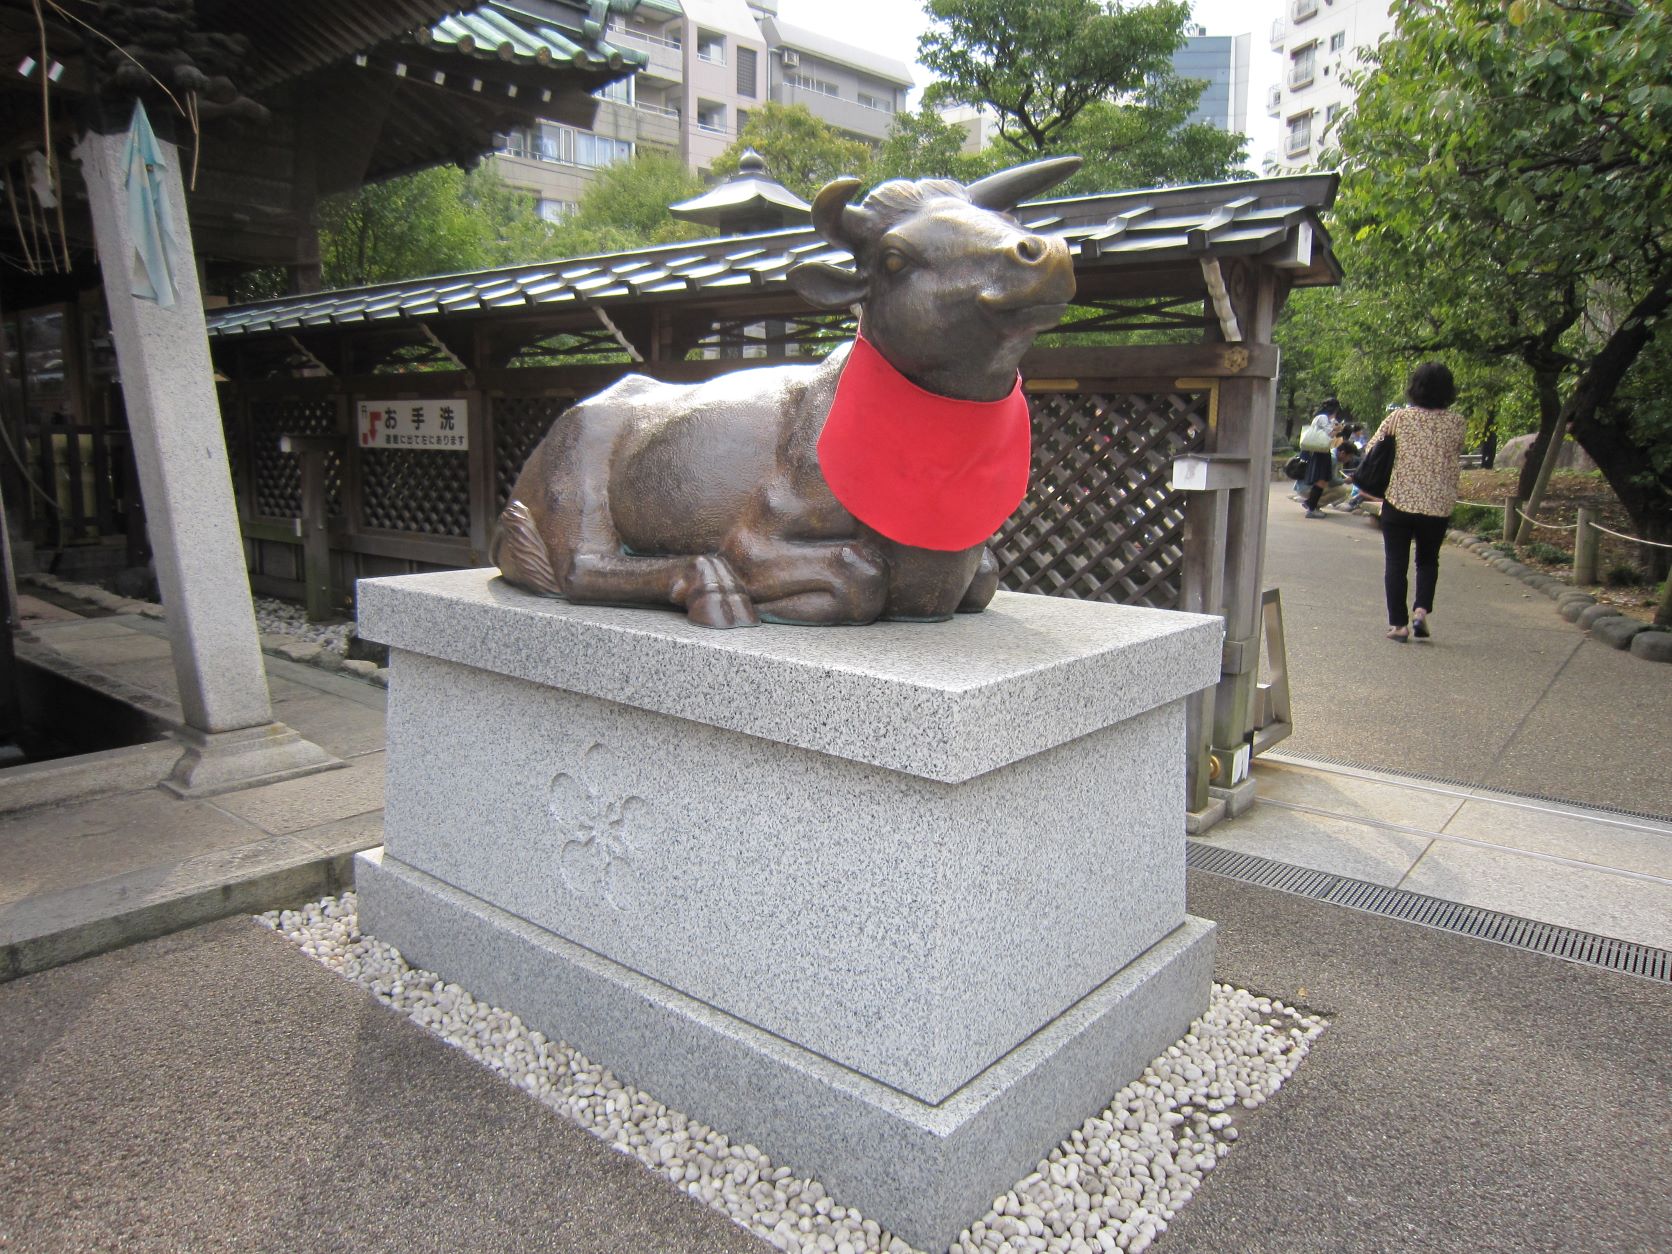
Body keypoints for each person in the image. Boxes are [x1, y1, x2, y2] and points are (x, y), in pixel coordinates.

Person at [1363, 363, 1467, 642]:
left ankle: (1398, 625)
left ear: (1414, 387)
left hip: (1399, 500)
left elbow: (1372, 449)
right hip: (1437, 504)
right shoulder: (1457, 423)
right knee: (1428, 560)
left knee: (1396, 562)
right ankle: (1420, 612)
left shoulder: (1398, 418)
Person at [1298, 399, 1339, 517]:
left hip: (1320, 452)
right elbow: (1329, 434)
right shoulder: (1323, 418)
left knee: (1322, 480)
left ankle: (1310, 504)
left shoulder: (1321, 417)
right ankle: (1311, 508)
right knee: (1321, 480)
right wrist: (1338, 429)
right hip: (1321, 452)